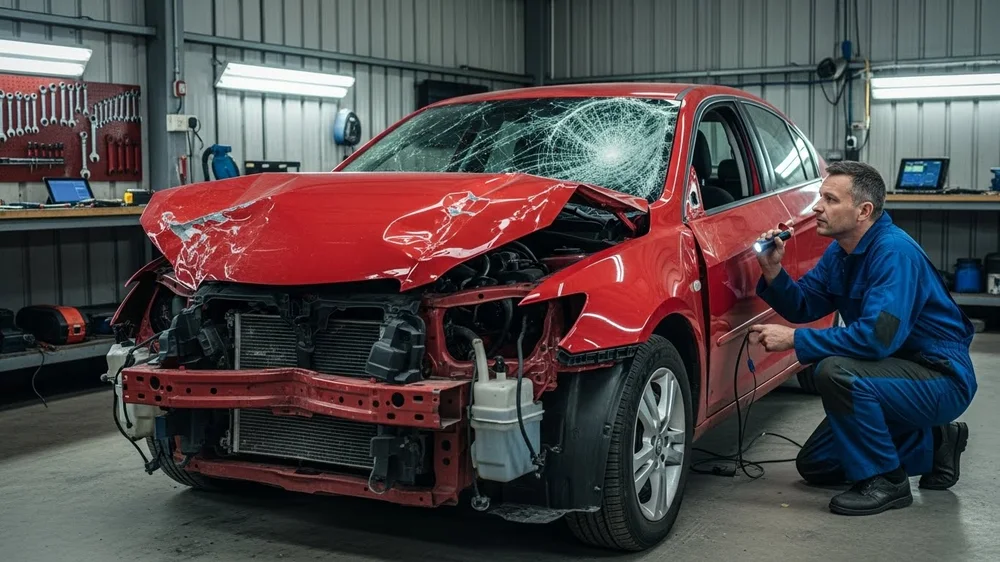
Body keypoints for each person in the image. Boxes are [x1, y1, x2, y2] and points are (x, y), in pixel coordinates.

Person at [749, 160, 976, 516]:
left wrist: (796, 340)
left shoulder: (894, 254)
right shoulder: (842, 253)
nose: (816, 208)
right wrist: (773, 270)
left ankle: (887, 480)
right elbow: (805, 303)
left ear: (863, 211)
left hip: (938, 376)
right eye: (820, 197)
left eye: (830, 199)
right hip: (889, 373)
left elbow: (876, 339)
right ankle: (936, 441)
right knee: (817, 466)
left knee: (836, 371)